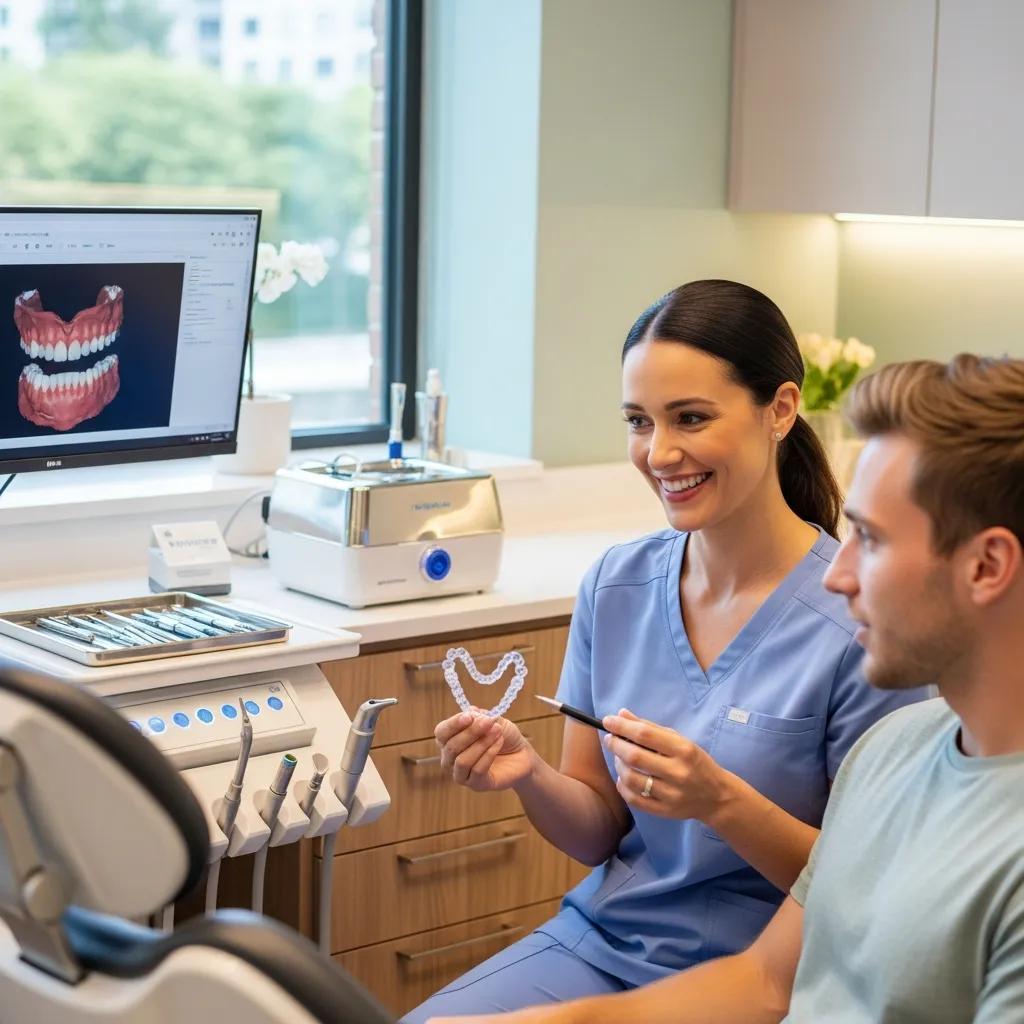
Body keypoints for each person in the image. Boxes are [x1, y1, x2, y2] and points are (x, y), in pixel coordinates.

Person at [428, 352, 1024, 1024]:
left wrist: (719, 802)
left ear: (988, 565)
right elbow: (767, 981)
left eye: (872, 539)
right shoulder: (895, 751)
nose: (836, 573)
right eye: (638, 421)